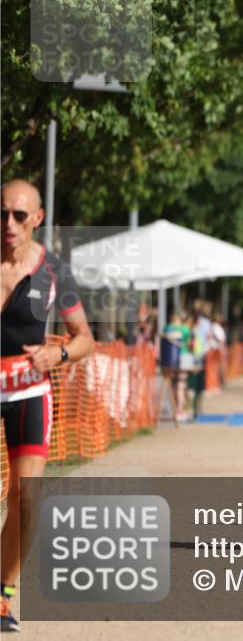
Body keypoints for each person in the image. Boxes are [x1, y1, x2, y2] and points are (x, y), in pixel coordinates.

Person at [1, 179, 95, 632]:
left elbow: (84, 340)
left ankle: (2, 596)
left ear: (37, 219)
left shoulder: (54, 271)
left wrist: (56, 354)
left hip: (28, 392)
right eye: (2, 214)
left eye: (20, 215)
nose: (9, 224)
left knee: (25, 499)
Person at [162, 310, 192, 421]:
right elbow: (189, 342)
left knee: (172, 385)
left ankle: (174, 409)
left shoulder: (167, 328)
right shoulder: (184, 330)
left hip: (169, 360)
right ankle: (180, 409)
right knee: (181, 385)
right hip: (183, 359)